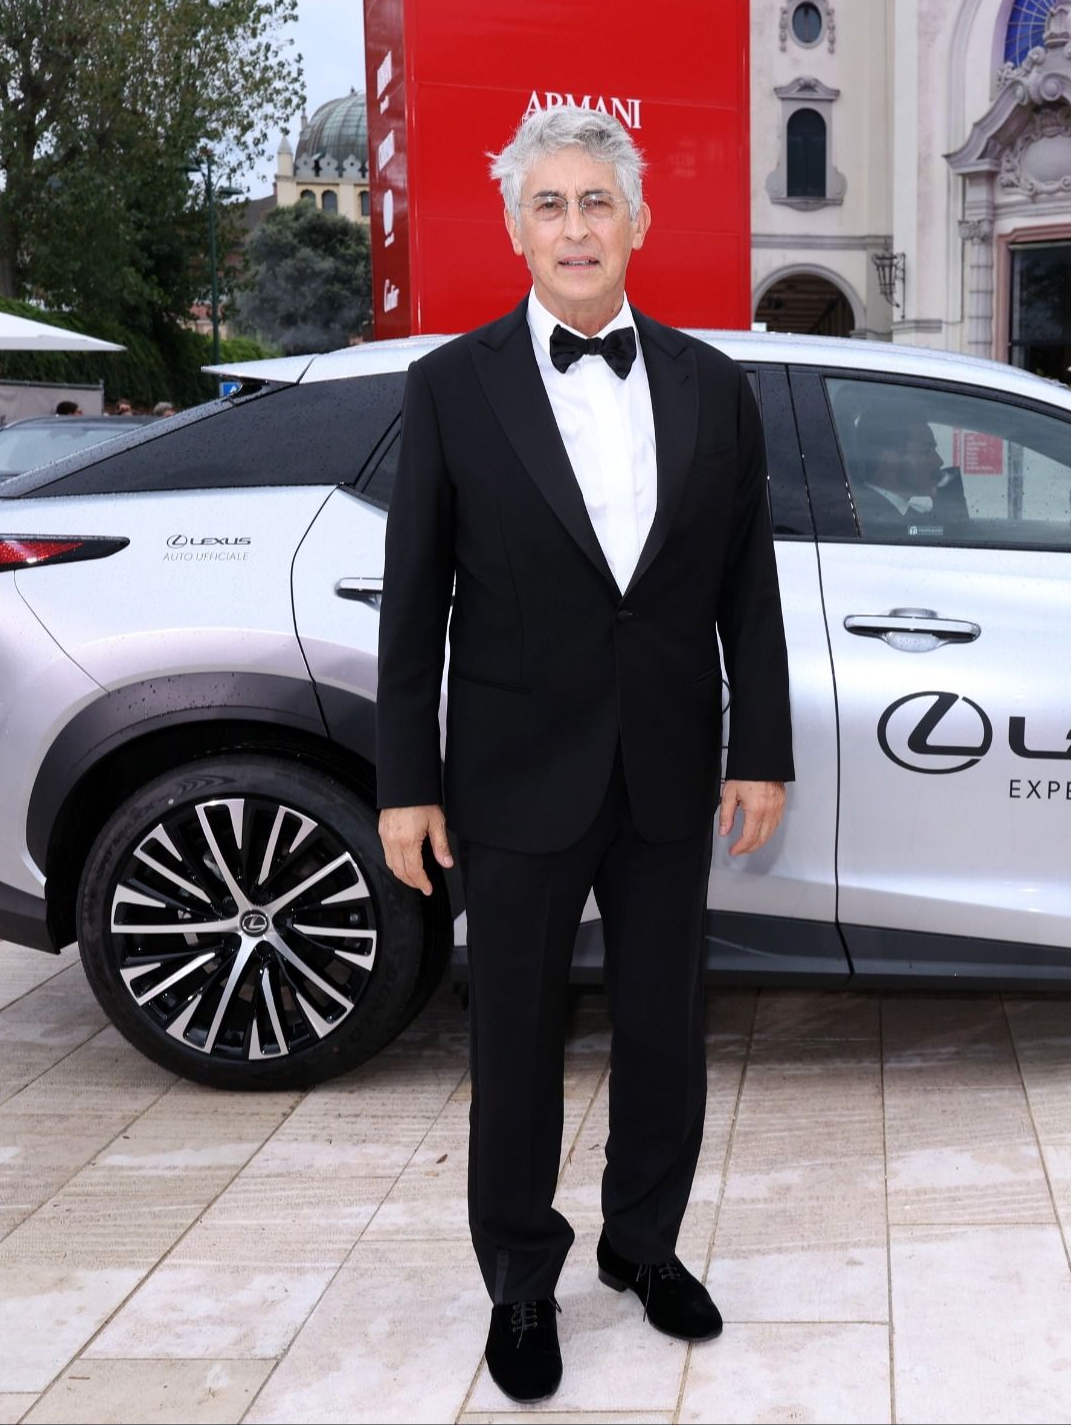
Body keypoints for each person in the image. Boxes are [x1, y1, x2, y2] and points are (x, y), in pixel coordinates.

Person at [374, 105, 792, 1404]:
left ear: (638, 224)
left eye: (595, 201)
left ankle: (644, 1244)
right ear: (514, 228)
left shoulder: (715, 387)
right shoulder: (450, 386)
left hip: (671, 770)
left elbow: (747, 586)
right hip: (507, 779)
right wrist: (406, 781)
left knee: (667, 1031)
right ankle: (518, 1278)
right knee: (515, 1042)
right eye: (549, 204)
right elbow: (412, 600)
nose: (574, 226)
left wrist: (761, 749)